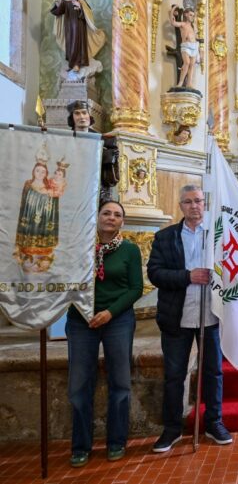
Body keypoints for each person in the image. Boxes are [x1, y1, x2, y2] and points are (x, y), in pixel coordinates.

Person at [147, 185, 232, 452]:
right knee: (174, 374)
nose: (194, 206)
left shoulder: (218, 236)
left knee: (213, 373)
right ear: (180, 206)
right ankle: (172, 429)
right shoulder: (165, 237)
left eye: (198, 201)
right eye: (188, 202)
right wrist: (187, 276)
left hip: (211, 316)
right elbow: (155, 274)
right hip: (177, 316)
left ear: (204, 205)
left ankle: (214, 422)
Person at [65, 200, 142, 467]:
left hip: (117, 320)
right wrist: (84, 310)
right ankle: (80, 446)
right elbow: (67, 281)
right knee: (78, 385)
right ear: (97, 217)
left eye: (117, 215)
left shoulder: (130, 250)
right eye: (106, 213)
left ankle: (116, 441)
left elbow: (135, 289)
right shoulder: (79, 247)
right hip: (81, 321)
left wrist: (110, 312)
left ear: (123, 221)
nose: (111, 217)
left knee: (120, 382)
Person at [13, 161, 59, 273]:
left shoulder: (50, 187)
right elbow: (23, 203)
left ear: (46, 173)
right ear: (33, 171)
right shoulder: (28, 184)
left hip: (44, 221)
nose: (40, 173)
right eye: (38, 170)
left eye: (43, 171)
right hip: (29, 219)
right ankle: (27, 261)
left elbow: (54, 205)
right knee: (27, 246)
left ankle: (41, 262)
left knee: (43, 246)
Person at [50, 0, 105, 72]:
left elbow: (88, 14)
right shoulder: (66, 1)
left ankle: (77, 64)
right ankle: (71, 63)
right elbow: (59, 11)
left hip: (79, 27)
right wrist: (57, 3)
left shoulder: (81, 1)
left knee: (77, 44)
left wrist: (80, 6)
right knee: (70, 44)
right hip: (69, 27)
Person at [169, 5, 199, 89]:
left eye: (193, 15)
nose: (192, 17)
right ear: (185, 15)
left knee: (192, 65)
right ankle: (180, 83)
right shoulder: (183, 24)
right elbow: (173, 23)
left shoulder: (192, 26)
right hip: (186, 46)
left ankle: (189, 83)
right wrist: (173, 9)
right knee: (187, 63)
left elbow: (195, 36)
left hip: (194, 46)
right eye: (190, 15)